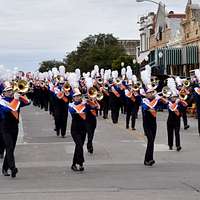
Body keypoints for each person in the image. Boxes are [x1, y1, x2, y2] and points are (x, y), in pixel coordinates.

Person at [0, 82, 30, 178]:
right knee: (9, 147)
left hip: (14, 127)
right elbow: (7, 109)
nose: (10, 92)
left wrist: (22, 95)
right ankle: (13, 168)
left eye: (11, 90)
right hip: (5, 127)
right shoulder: (1, 101)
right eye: (8, 91)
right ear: (3, 92)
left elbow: (27, 102)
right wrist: (16, 99)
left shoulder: (15, 99)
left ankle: (5, 167)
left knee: (11, 148)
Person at [68, 88, 87, 171]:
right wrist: (84, 105)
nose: (77, 98)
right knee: (79, 145)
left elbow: (95, 107)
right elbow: (73, 111)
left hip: (83, 128)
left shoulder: (85, 104)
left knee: (79, 146)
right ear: (73, 98)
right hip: (75, 128)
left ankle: (73, 164)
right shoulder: (71, 105)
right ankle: (81, 163)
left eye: (79, 96)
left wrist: (92, 101)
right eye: (76, 96)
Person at [141, 89, 161, 166]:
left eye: (152, 93)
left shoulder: (156, 101)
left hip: (153, 124)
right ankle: (147, 160)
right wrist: (156, 99)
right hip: (146, 124)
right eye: (149, 93)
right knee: (150, 140)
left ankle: (150, 159)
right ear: (146, 94)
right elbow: (146, 107)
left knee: (152, 142)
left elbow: (164, 105)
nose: (150, 94)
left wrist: (161, 98)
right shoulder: (144, 100)